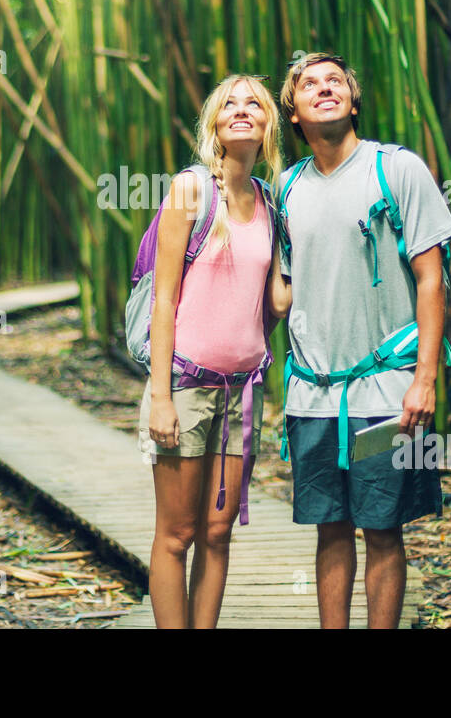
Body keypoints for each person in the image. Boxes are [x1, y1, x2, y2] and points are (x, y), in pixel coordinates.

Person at [274, 52, 451, 629]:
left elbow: (433, 278)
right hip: (313, 392)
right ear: (294, 113)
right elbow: (280, 292)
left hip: (386, 390)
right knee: (329, 529)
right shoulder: (284, 188)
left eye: (336, 82)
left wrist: (424, 378)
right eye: (308, 84)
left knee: (382, 528)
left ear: (353, 102)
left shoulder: (396, 169)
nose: (323, 88)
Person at [138, 74, 287, 628]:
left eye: (255, 103)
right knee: (176, 535)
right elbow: (164, 298)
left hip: (243, 392)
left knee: (218, 532)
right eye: (231, 103)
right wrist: (160, 398)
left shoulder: (270, 202)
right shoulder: (190, 190)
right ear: (215, 123)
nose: (243, 109)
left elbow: (275, 300)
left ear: (269, 124)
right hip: (187, 385)